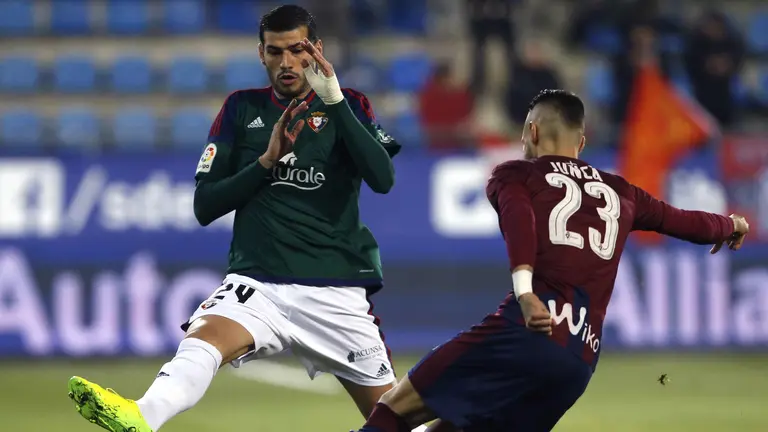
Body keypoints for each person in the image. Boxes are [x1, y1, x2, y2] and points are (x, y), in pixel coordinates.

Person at [66, 5, 427, 432]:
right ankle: (141, 415)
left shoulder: (349, 105)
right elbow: (205, 206)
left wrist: (333, 100)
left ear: (318, 50)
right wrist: (265, 163)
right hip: (259, 283)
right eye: (276, 52)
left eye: (298, 50)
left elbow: (383, 179)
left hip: (335, 289)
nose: (287, 63)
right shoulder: (241, 109)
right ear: (261, 54)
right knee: (201, 340)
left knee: (393, 420)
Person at [355, 89, 749, 432]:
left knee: (396, 409)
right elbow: (679, 220)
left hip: (526, 333)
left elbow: (521, 223)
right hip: (577, 360)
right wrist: (728, 225)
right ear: (581, 142)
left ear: (532, 132)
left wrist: (525, 292)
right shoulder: (622, 192)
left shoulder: (516, 175)